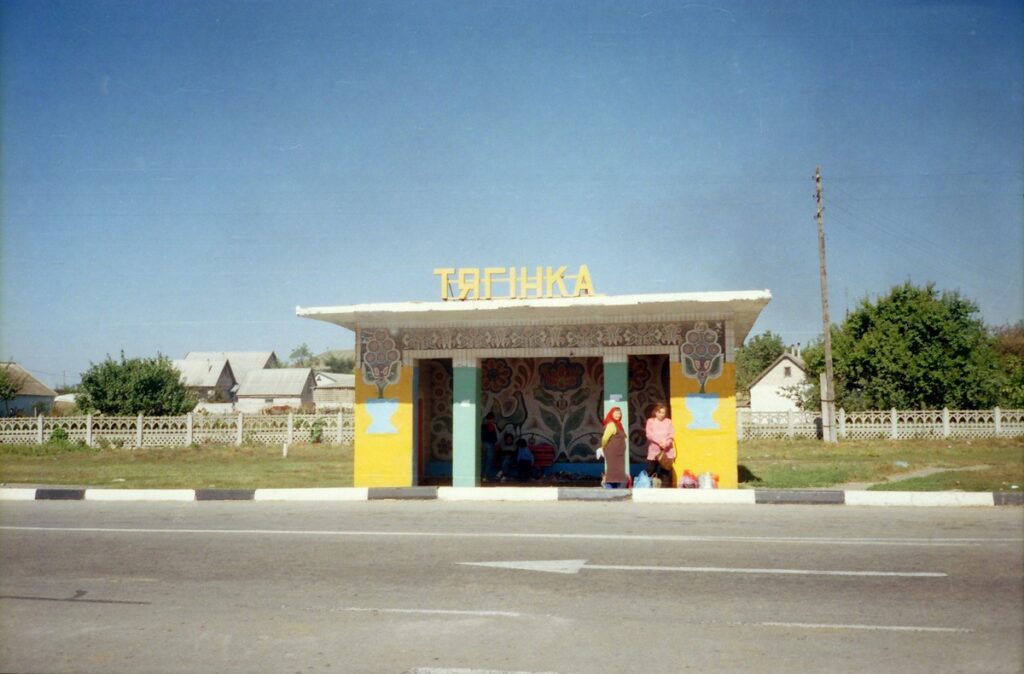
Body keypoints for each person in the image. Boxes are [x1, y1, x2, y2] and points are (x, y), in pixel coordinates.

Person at [597, 406, 628, 488]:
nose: (618, 415)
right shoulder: (611, 424)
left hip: (618, 452)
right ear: (611, 414)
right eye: (616, 413)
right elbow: (605, 438)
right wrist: (603, 447)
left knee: (618, 472)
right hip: (613, 452)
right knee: (613, 471)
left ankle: (614, 488)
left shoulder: (618, 424)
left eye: (619, 413)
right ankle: (608, 487)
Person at [644, 403, 675, 486]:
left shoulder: (668, 422)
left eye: (663, 412)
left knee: (665, 472)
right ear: (655, 412)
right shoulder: (650, 421)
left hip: (667, 452)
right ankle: (647, 488)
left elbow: (671, 435)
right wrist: (659, 442)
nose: (661, 414)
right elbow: (649, 435)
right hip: (654, 452)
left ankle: (665, 490)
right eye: (659, 412)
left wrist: (666, 443)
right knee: (650, 471)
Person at [480, 412, 498, 481]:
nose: (494, 420)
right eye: (493, 419)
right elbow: (493, 436)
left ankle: (481, 475)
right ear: (491, 419)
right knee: (489, 460)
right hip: (490, 444)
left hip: (484, 443)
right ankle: (485, 476)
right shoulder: (491, 426)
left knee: (484, 460)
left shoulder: (482, 425)